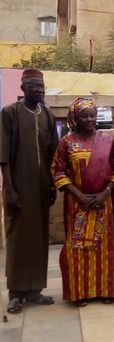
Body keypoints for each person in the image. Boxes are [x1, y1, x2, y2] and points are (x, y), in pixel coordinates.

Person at [51, 98, 114, 306]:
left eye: (92, 114)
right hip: (77, 204)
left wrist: (105, 193)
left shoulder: (107, 140)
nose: (90, 119)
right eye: (84, 115)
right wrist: (79, 195)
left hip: (104, 202)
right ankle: (79, 292)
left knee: (105, 247)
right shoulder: (67, 142)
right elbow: (57, 171)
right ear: (75, 119)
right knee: (78, 247)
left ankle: (106, 290)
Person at [0, 69, 59, 314]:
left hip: (41, 186)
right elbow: (3, 156)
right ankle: (15, 293)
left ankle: (35, 289)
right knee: (17, 239)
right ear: (23, 88)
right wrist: (10, 189)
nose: (40, 90)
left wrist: (54, 184)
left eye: (41, 86)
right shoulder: (10, 113)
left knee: (38, 238)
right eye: (34, 86)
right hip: (18, 186)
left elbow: (53, 155)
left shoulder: (47, 114)